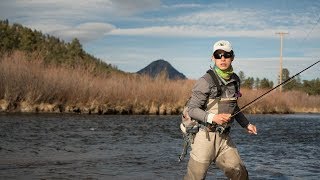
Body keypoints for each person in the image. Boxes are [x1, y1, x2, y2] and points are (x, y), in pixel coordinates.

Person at [183, 40, 257, 180]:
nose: (222, 58)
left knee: (240, 174)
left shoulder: (235, 80)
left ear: (232, 57)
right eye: (218, 55)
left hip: (224, 139)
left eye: (226, 55)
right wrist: (212, 118)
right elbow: (192, 109)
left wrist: (246, 124)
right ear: (213, 58)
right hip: (204, 137)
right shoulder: (205, 81)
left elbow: (234, 107)